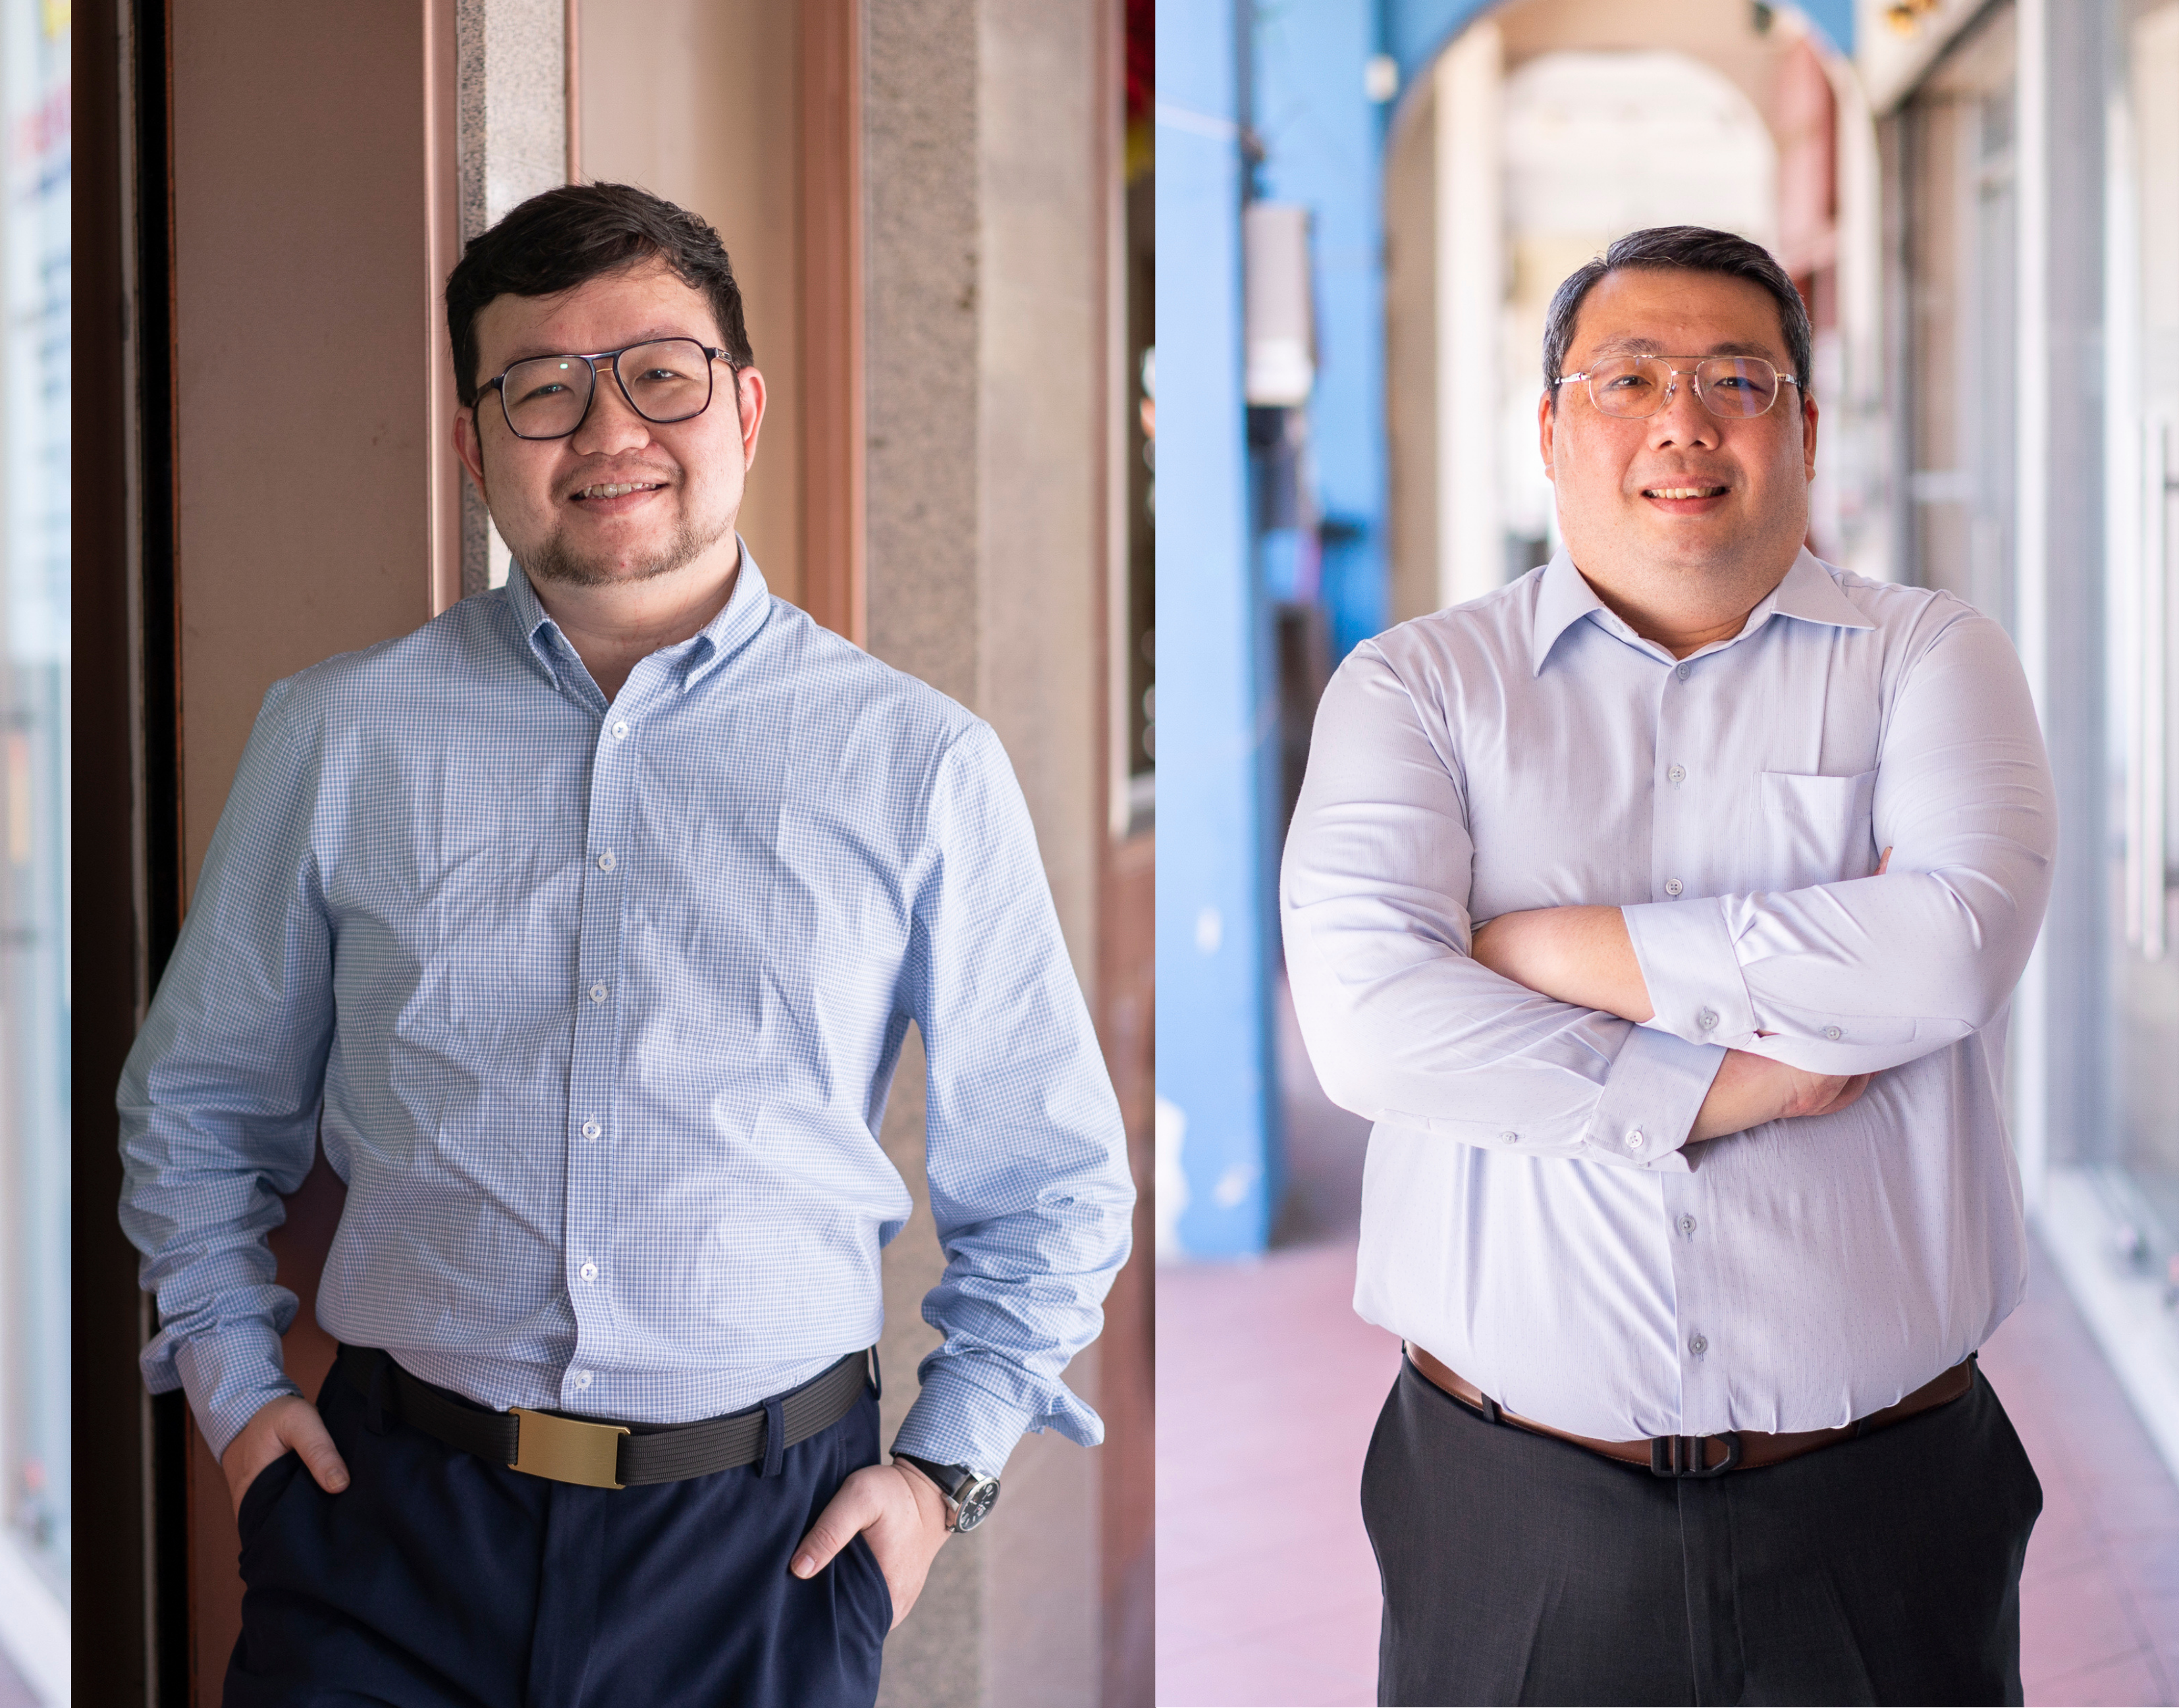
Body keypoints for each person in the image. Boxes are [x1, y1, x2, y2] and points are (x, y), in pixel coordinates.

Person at [118, 181, 1135, 1707]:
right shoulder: (338, 734)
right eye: (541, 390)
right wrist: (239, 1408)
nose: (608, 434)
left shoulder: (916, 761)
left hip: (764, 1552)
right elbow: (195, 1109)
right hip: (389, 1530)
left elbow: (1053, 1180)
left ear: (745, 404)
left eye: (659, 375)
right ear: (473, 443)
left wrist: (941, 1480)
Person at [1283, 223, 2054, 1705]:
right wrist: (1728, 1085)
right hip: (1511, 1507)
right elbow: (1377, 1030)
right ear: (1553, 430)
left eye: (1736, 380)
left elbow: (1947, 953)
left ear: (1808, 430)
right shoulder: (1418, 689)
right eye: (1625, 377)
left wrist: (1551, 952)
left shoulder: (1931, 659)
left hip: (1881, 1501)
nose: (1681, 423)